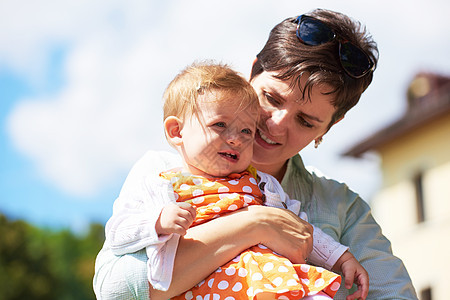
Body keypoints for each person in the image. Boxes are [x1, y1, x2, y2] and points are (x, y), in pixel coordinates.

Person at [93, 8, 418, 300]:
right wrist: (254, 224)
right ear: (251, 74)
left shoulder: (342, 207)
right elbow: (115, 291)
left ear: (330, 127)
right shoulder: (161, 172)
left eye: (306, 121)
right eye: (272, 98)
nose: (275, 125)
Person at [100, 61, 368, 300]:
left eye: (246, 131)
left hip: (272, 279)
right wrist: (157, 222)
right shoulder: (161, 184)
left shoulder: (261, 185)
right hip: (209, 287)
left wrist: (340, 257)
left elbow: (298, 227)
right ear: (176, 131)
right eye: (219, 125)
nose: (235, 138)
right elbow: (118, 233)